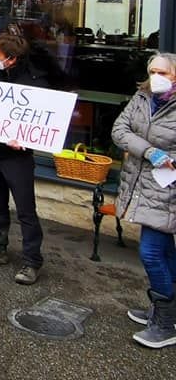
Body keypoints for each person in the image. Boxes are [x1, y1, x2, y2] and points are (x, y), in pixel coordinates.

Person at [0, 33, 48, 285]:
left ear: (11, 59)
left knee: (25, 210)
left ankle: (32, 261)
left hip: (17, 157)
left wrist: (26, 140)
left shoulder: (34, 83)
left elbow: (41, 118)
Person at [112, 53, 176, 348]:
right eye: (152, 71)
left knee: (151, 253)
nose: (156, 76)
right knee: (165, 253)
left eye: (163, 71)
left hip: (168, 189)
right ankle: (165, 311)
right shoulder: (142, 97)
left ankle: (165, 323)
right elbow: (119, 131)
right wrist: (149, 151)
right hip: (142, 183)